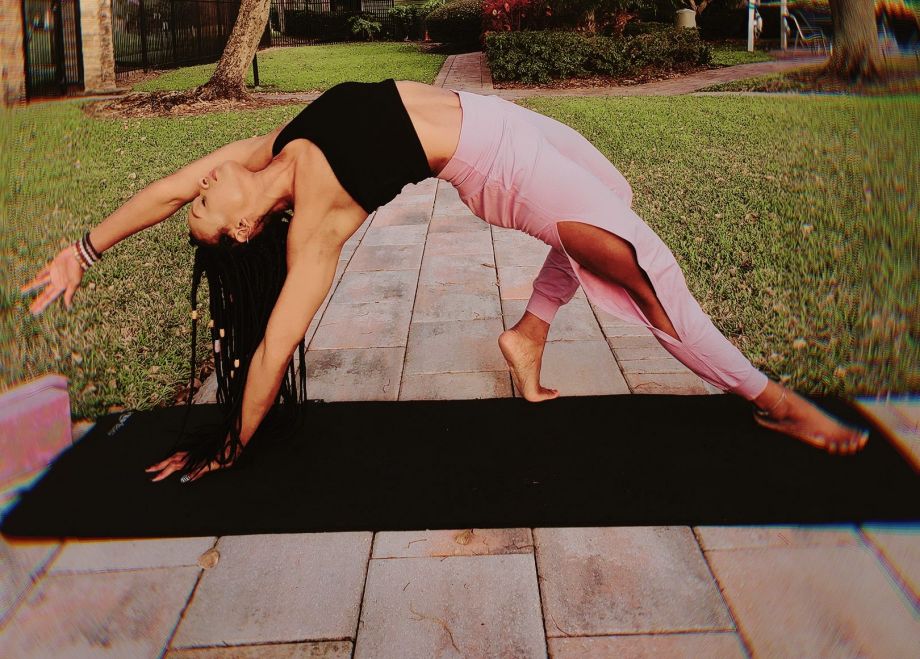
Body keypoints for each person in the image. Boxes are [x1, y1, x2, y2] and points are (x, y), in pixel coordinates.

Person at [22, 79, 869, 483]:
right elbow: (278, 339)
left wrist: (82, 252)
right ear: (247, 228)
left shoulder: (262, 155)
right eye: (210, 212)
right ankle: (772, 398)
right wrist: (233, 443)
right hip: (504, 167)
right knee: (649, 281)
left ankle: (526, 335)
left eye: (203, 197)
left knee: (619, 193)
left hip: (502, 118)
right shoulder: (313, 221)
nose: (200, 193)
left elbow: (169, 187)